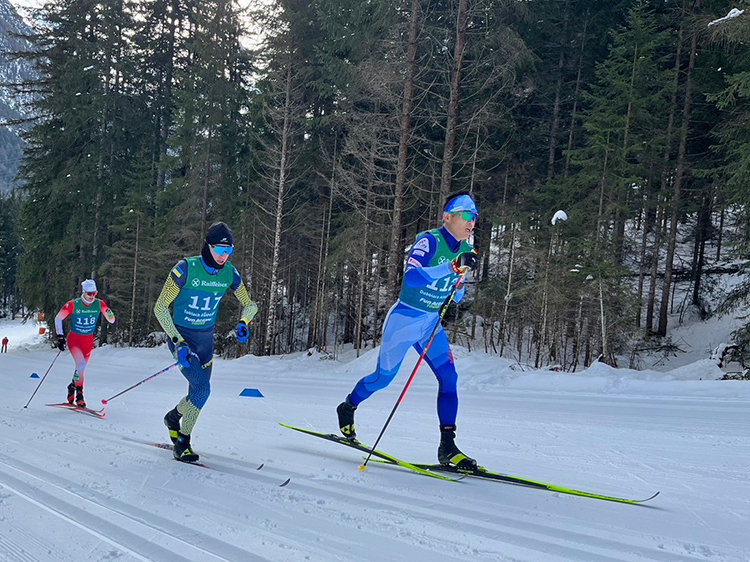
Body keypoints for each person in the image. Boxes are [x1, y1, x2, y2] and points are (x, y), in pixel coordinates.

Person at [337, 192, 480, 469]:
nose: (470, 222)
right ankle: (348, 406)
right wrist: (452, 266)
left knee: (449, 378)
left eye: (474, 217)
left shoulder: (466, 250)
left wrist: (459, 281)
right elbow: (412, 278)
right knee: (383, 379)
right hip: (404, 321)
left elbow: (458, 298)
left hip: (429, 325)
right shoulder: (430, 240)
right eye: (465, 215)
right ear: (447, 217)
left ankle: (448, 447)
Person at [154, 221, 258, 463]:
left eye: (228, 251)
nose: (224, 256)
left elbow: (250, 304)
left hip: (205, 342)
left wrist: (244, 321)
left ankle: (173, 417)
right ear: (207, 247)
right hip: (182, 340)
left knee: (197, 394)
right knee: (203, 389)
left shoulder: (229, 273)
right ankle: (183, 443)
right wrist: (177, 340)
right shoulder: (185, 269)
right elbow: (160, 308)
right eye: (220, 250)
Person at [54, 279, 116, 407]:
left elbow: (112, 320)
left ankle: (72, 386)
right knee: (80, 365)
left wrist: (109, 313)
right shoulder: (73, 304)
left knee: (80, 369)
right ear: (84, 292)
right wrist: (60, 337)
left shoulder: (99, 304)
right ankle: (79, 396)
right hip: (75, 340)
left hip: (88, 341)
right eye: (89, 294)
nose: (92, 296)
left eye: (94, 293)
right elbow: (58, 318)